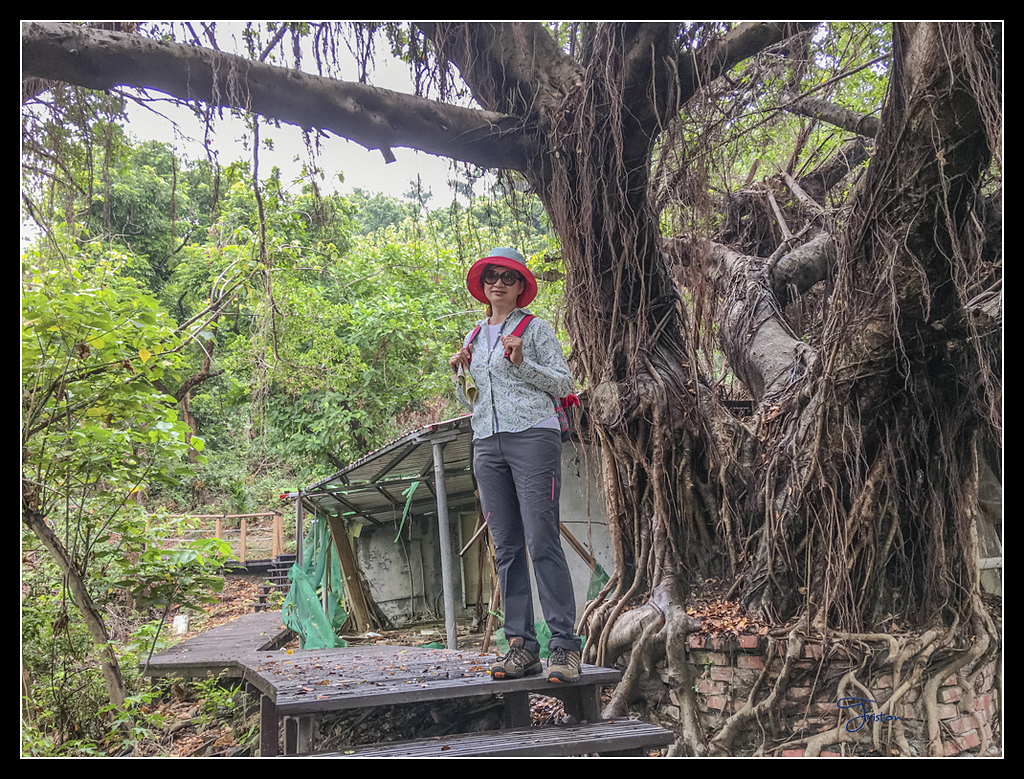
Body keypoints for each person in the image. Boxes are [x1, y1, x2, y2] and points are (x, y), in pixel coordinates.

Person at [450, 247, 583, 684]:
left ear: (521, 286)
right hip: (487, 441)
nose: (499, 284)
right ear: (483, 286)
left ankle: (564, 647)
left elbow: (564, 383)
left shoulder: (535, 328)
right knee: (505, 547)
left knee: (541, 538)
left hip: (533, 436)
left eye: (508, 277)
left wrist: (522, 362)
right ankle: (521, 646)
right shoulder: (473, 336)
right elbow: (474, 398)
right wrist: (460, 373)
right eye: (491, 277)